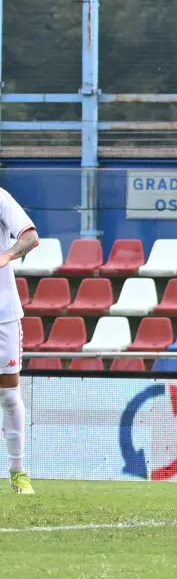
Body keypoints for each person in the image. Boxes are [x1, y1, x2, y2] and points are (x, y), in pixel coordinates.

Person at [0, 188, 38, 495]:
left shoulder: (1, 198)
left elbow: (31, 237)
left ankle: (18, 472)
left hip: (3, 314)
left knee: (9, 395)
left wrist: (7, 255)